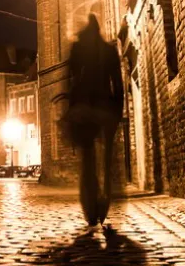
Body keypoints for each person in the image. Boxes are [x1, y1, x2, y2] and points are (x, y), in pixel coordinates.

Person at [64, 14, 124, 227]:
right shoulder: (109, 51)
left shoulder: (78, 49)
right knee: (107, 160)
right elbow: (117, 84)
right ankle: (105, 200)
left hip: (83, 108)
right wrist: (118, 111)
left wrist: (71, 108)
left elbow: (70, 82)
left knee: (88, 159)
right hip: (105, 108)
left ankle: (90, 205)